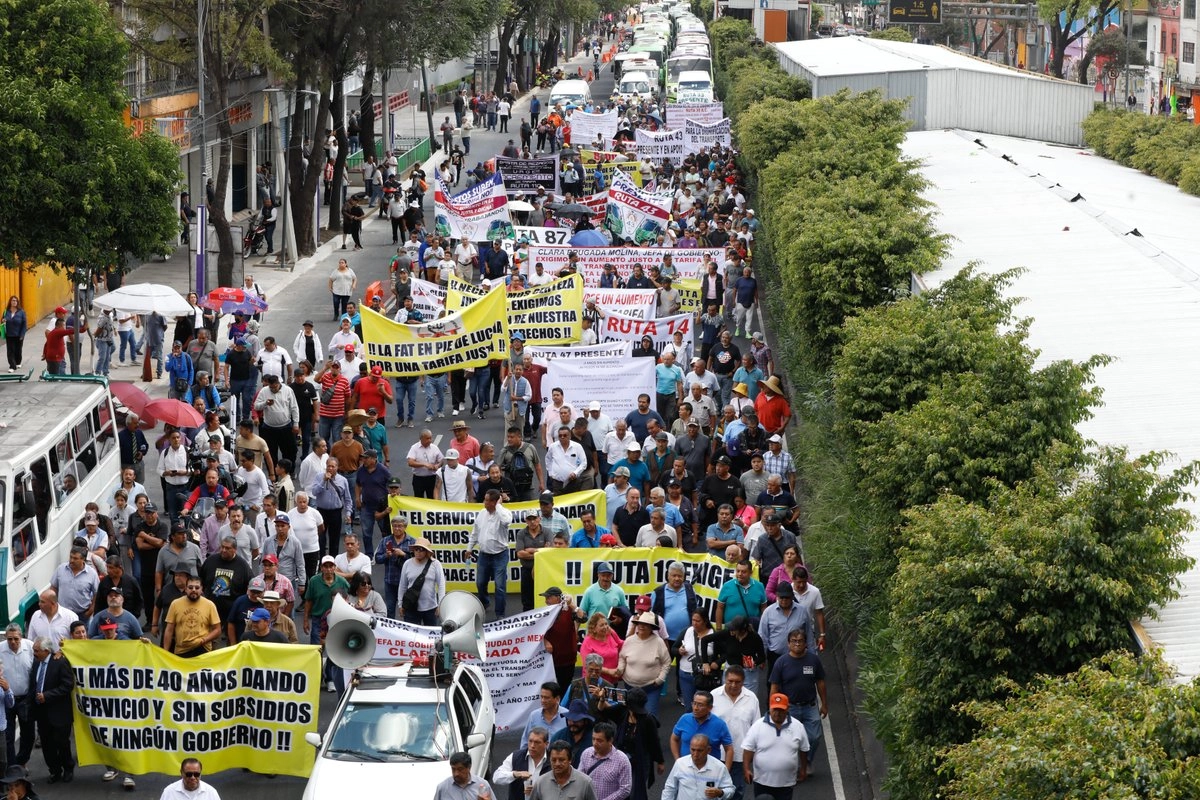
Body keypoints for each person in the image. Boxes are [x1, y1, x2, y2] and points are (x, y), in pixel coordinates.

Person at [768, 629, 827, 772]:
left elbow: (820, 682)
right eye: (794, 641)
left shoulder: (813, 660)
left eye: (800, 641)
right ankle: (793, 765)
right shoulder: (781, 663)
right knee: (789, 739)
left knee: (813, 737)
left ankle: (806, 762)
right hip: (790, 708)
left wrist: (824, 704)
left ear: (805, 643)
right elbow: (774, 686)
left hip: (810, 706)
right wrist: (773, 708)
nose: (797, 644)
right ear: (788, 644)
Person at [742, 693, 811, 796]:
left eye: (781, 710)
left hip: (786, 783)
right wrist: (746, 769)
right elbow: (748, 749)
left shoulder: (798, 727)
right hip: (762, 782)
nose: (777, 713)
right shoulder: (757, 726)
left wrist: (803, 769)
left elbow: (804, 749)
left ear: (787, 708)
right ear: (770, 708)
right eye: (775, 709)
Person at [29, 637, 74, 784]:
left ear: (46, 651)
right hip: (42, 713)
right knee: (47, 744)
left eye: (37, 651)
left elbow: (68, 685)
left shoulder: (60, 663)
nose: (34, 653)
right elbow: (33, 684)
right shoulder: (36, 663)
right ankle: (54, 770)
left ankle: (68, 769)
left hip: (60, 712)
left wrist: (47, 696)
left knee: (62, 743)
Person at [711, 666, 760, 800]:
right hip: (716, 754)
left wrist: (751, 758)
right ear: (724, 680)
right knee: (713, 790)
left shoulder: (752, 699)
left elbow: (756, 730)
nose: (733, 685)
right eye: (730, 681)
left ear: (743, 682)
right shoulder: (713, 696)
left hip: (740, 756)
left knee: (736, 791)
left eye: (737, 682)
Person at [467, 490, 512, 618]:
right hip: (484, 555)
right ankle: (485, 603)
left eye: (487, 500)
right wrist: (469, 548)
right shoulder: (481, 514)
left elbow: (506, 521)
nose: (484, 502)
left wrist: (499, 505)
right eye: (484, 499)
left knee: (500, 586)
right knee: (480, 583)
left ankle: (500, 614)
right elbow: (475, 532)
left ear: (494, 502)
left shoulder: (504, 513)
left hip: (500, 555)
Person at [616, 613, 671, 716]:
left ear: (651, 627)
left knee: (650, 716)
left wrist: (660, 679)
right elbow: (622, 657)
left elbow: (667, 662)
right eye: (640, 623)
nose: (641, 626)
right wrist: (621, 669)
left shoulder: (658, 642)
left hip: (651, 688)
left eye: (645, 624)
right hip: (630, 686)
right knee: (631, 716)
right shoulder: (629, 640)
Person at [660, 733, 734, 800]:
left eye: (700, 750)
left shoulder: (719, 767)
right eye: (693, 750)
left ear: (708, 750)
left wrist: (720, 793)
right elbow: (670, 788)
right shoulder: (680, 764)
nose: (695, 754)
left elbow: (730, 789)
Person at [163, 575, 221, 657]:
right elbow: (169, 630)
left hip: (203, 649)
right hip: (181, 650)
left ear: (201, 589)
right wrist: (165, 652)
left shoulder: (210, 605)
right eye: (190, 587)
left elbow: (217, 630)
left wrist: (203, 640)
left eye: (197, 588)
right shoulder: (175, 604)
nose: (193, 590)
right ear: (185, 589)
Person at [578, 722, 633, 800]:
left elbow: (625, 788)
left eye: (599, 741)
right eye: (593, 739)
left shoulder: (622, 760)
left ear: (610, 740)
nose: (595, 743)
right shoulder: (586, 754)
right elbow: (579, 779)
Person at [495, 726, 552, 800]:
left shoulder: (553, 760)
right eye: (530, 741)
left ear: (546, 744)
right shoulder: (516, 756)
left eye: (537, 742)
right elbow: (496, 777)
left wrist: (538, 791)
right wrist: (515, 774)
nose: (532, 746)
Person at [396, 537, 444, 625]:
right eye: (416, 549)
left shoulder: (435, 564)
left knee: (431, 636)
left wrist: (440, 605)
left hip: (430, 608)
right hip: (411, 607)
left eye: (421, 549)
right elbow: (402, 585)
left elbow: (441, 585)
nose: (418, 552)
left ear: (427, 552)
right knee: (411, 637)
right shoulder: (407, 564)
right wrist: (400, 605)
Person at [529, 739, 598, 800]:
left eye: (561, 760)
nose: (557, 764)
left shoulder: (585, 783)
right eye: (553, 760)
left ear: (570, 760)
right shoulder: (541, 783)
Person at [580, 612, 624, 683]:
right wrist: (609, 671)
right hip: (594, 681)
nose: (605, 627)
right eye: (601, 625)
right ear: (594, 628)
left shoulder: (611, 634)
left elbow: (621, 644)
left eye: (606, 624)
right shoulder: (587, 642)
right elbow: (587, 665)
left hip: (612, 679)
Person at [3, 296, 28, 372]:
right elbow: (2, 320)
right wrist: (3, 320)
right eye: (13, 300)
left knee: (18, 350)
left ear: (17, 302)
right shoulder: (6, 311)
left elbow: (24, 324)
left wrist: (22, 334)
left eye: (15, 301)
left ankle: (18, 362)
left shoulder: (21, 312)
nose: (14, 302)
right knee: (10, 351)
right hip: (9, 334)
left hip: (18, 334)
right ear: (10, 302)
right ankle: (12, 366)